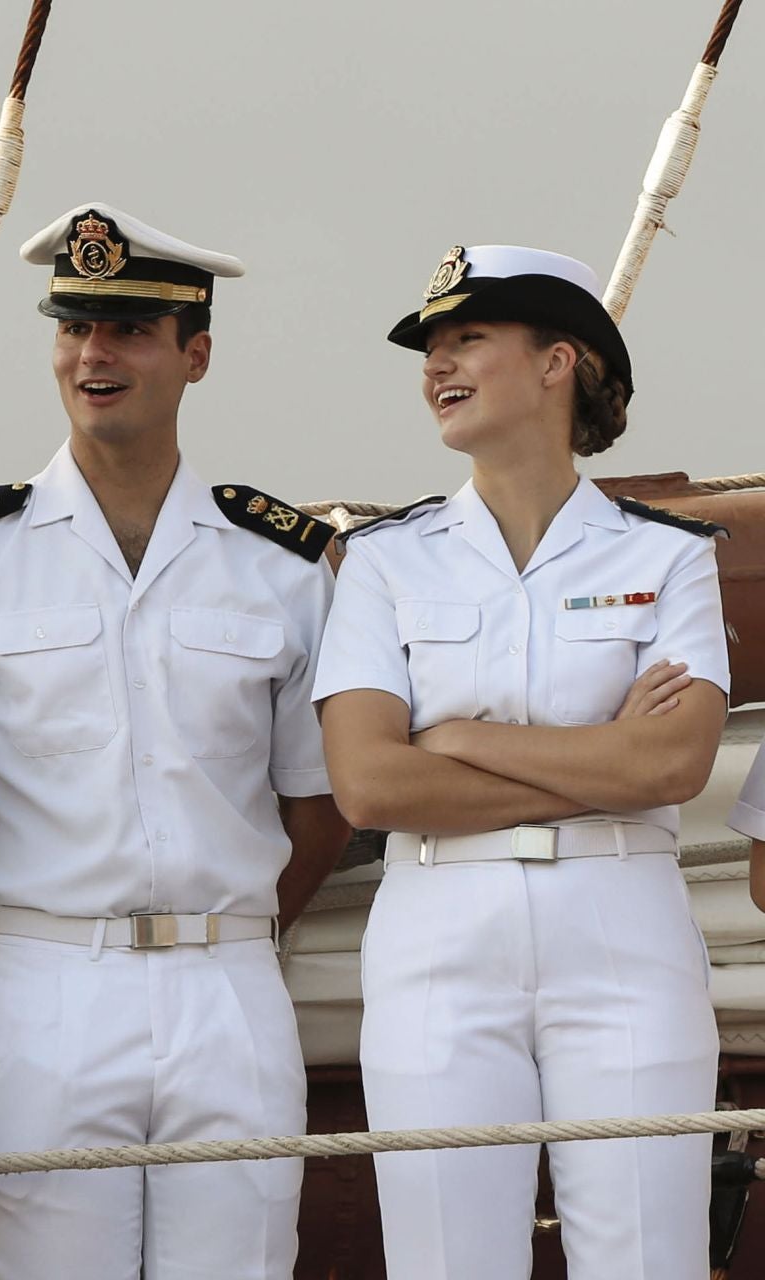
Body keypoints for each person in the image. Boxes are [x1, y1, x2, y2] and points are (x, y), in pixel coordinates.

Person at [0, 202, 349, 1279]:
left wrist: (244, 923)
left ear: (196, 354)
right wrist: (10, 945)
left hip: (229, 982)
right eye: (75, 324)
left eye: (130, 329)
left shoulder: (280, 561)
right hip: (46, 979)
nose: (95, 353)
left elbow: (322, 796)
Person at [314, 244, 728, 1278]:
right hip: (437, 941)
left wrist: (453, 739)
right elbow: (369, 782)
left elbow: (672, 765)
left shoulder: (668, 554)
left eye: (467, 338)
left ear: (558, 361)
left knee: (648, 1260)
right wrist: (603, 753)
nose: (435, 365)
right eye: (430, 347)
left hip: (624, 933)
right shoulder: (382, 558)